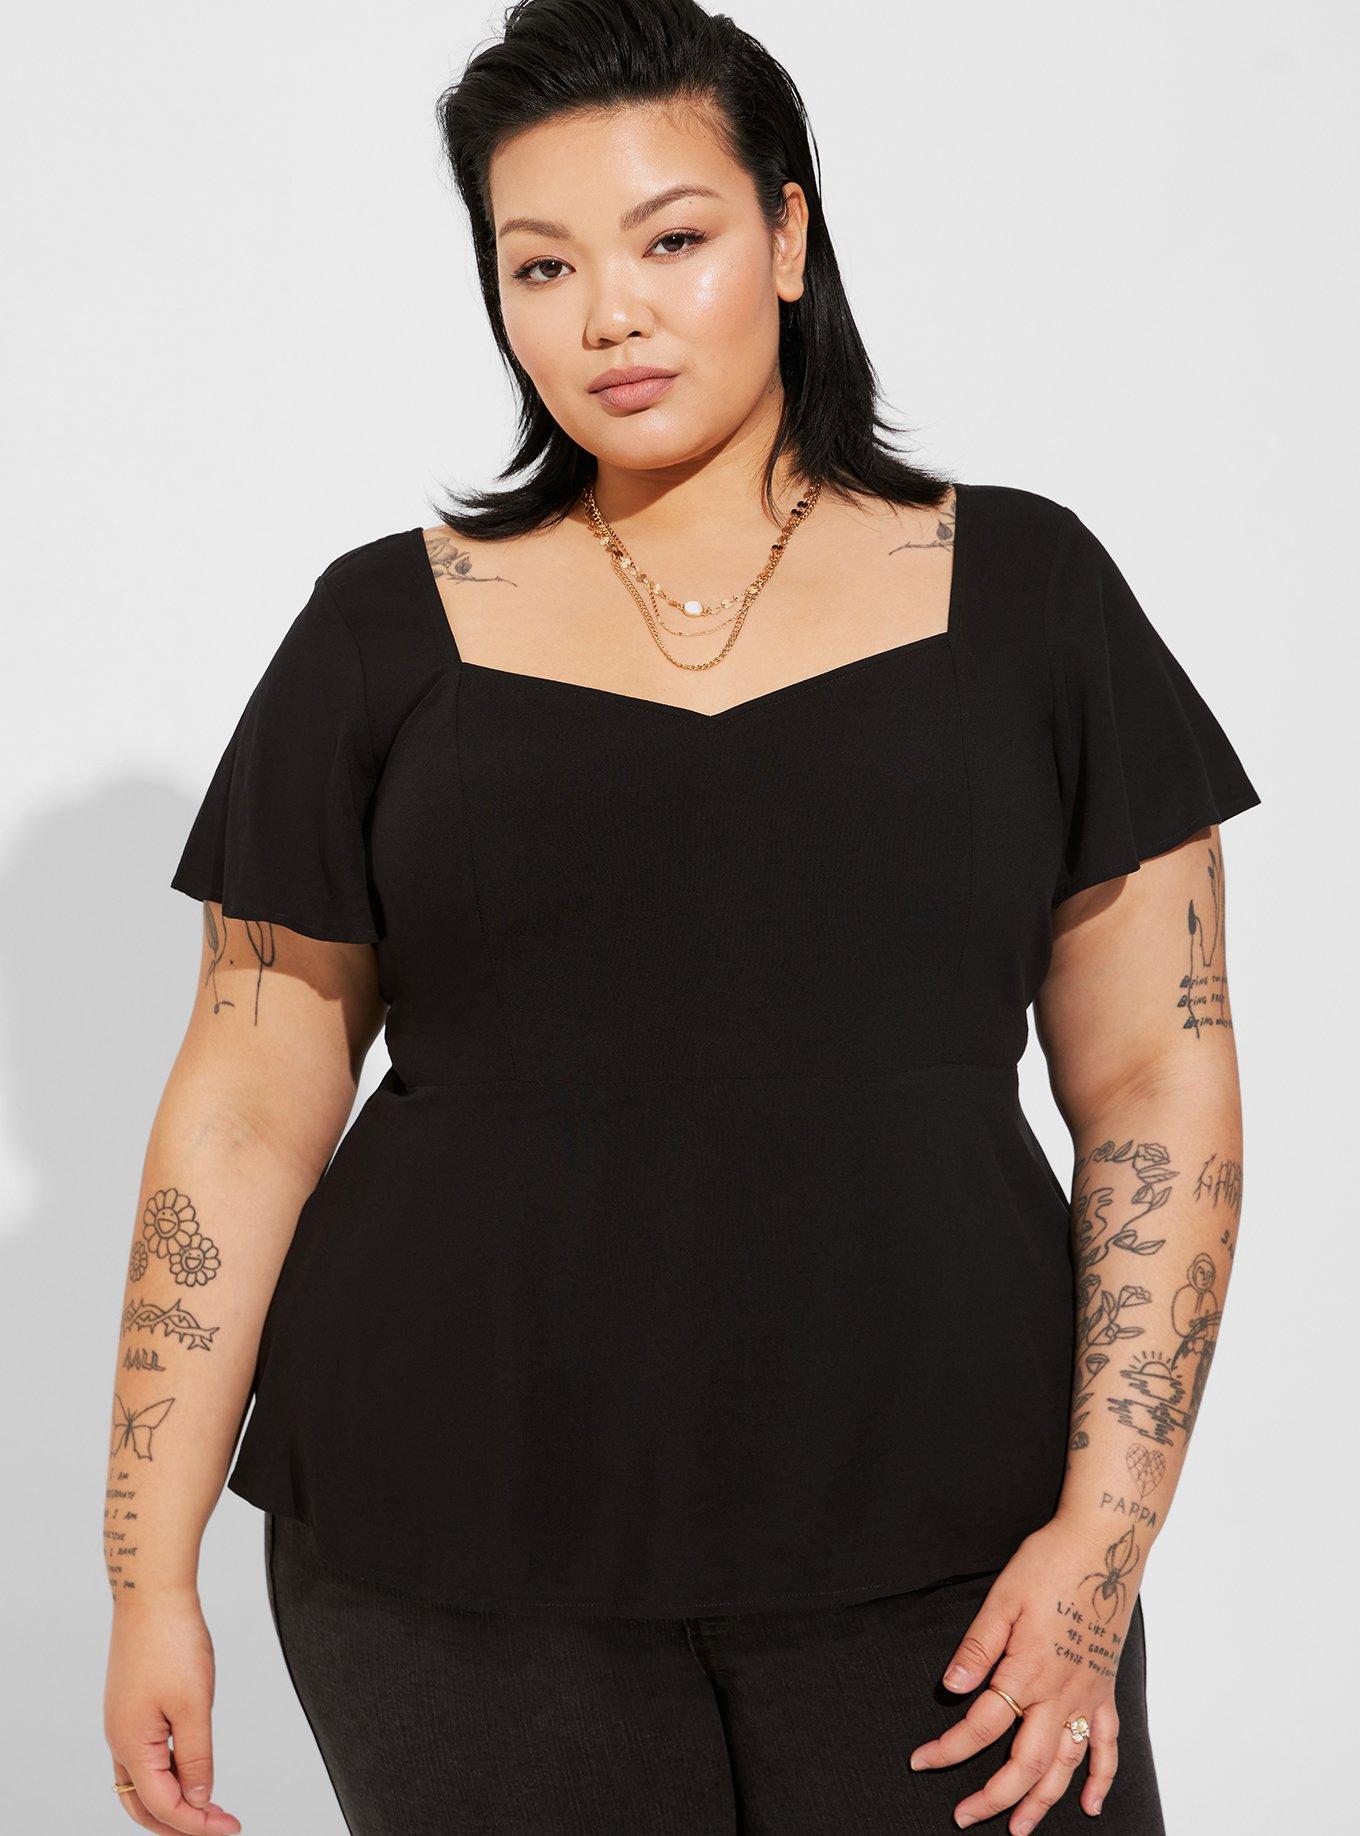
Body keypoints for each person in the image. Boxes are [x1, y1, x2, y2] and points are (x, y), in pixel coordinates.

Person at [102, 2, 1262, 1831]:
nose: (609, 316)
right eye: (541, 264)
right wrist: (145, 1578)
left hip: (959, 1539)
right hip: (449, 1556)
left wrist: (1104, 1540)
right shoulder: (381, 631)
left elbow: (1156, 1090)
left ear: (789, 237)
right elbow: (243, 1114)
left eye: (672, 240)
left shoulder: (1030, 592)